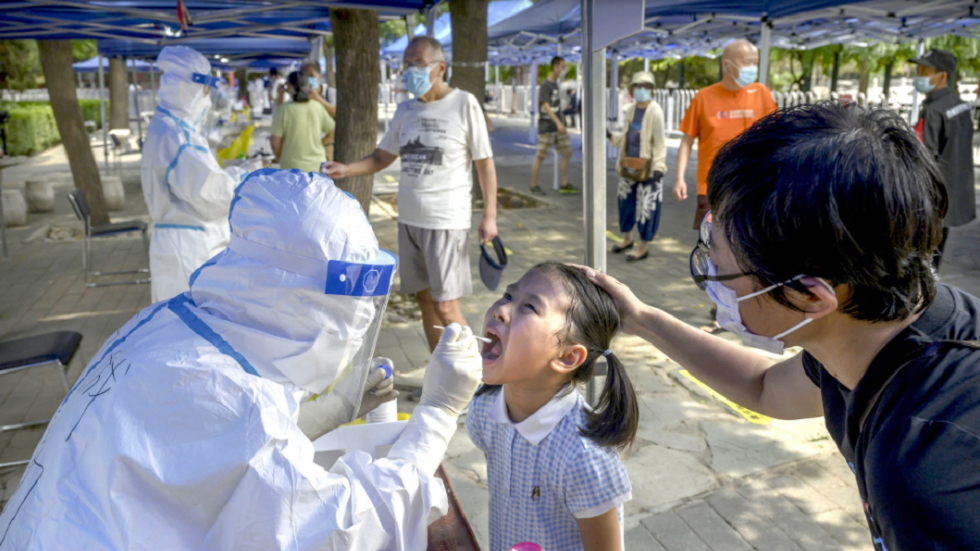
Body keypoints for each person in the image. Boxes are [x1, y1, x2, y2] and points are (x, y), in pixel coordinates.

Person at [0, 169, 485, 550]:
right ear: (297, 306)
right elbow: (343, 528)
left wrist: (327, 412)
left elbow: (206, 467)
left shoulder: (174, 325)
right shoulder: (229, 396)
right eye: (342, 322)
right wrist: (439, 415)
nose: (346, 339)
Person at [585, 103, 980, 551]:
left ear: (810, 296)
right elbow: (765, 387)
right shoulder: (895, 324)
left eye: (718, 270)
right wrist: (640, 319)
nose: (710, 276)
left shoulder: (925, 477)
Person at [323, 36, 498, 353]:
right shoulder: (405, 110)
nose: (409, 70)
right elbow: (381, 157)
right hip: (409, 220)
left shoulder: (464, 103)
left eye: (417, 63)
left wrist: (490, 216)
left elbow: (484, 163)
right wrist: (345, 169)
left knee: (447, 307)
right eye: (406, 64)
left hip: (446, 221)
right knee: (426, 302)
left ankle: (480, 376)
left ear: (440, 67)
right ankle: (442, 373)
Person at [466, 262, 636, 551]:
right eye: (509, 296)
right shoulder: (483, 409)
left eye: (529, 307)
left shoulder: (584, 458)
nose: (500, 310)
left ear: (568, 357)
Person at [141, 46, 260, 304]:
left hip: (182, 241)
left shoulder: (169, 127)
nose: (207, 99)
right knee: (189, 323)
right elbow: (210, 194)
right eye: (205, 90)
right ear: (189, 87)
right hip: (188, 245)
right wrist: (246, 176)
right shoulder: (175, 135)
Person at [673, 39, 776, 333]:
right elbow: (686, 140)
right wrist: (680, 177)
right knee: (717, 250)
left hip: (755, 188)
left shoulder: (762, 94)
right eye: (746, 62)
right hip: (714, 189)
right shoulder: (704, 98)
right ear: (727, 65)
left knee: (753, 248)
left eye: (754, 62)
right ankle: (722, 310)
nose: (752, 68)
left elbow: (775, 136)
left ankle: (750, 305)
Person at [910, 48, 976, 268]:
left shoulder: (933, 111)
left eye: (925, 71)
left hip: (931, 197)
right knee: (935, 253)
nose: (918, 75)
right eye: (918, 69)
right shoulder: (959, 105)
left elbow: (924, 157)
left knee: (921, 257)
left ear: (942, 76)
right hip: (951, 192)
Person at [607, 71, 667, 262]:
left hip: (648, 170)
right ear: (633, 89)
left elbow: (660, 142)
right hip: (627, 167)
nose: (642, 90)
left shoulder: (655, 111)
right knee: (625, 204)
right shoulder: (631, 110)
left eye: (646, 86)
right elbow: (626, 137)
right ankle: (627, 239)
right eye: (638, 86)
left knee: (646, 208)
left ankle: (643, 246)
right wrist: (610, 137)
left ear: (652, 90)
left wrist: (659, 167)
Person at [270, 70, 336, 173]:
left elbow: (275, 142)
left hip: (291, 166)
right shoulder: (317, 107)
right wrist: (318, 144)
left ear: (289, 86)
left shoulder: (283, 110)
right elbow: (332, 133)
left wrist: (279, 156)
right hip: (317, 165)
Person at [530, 57, 577, 196]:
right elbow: (546, 105)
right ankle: (533, 184)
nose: (563, 70)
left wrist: (561, 120)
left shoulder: (556, 84)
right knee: (540, 155)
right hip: (547, 126)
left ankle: (564, 183)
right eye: (562, 66)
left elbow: (556, 105)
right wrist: (558, 122)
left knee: (566, 151)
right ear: (555, 67)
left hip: (558, 125)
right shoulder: (545, 85)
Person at [300, 62, 338, 161]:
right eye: (305, 76)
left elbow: (337, 112)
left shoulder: (331, 93)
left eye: (311, 76)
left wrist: (317, 99)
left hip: (328, 146)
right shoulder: (299, 97)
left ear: (320, 77)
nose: (308, 79)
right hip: (306, 150)